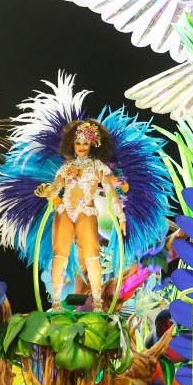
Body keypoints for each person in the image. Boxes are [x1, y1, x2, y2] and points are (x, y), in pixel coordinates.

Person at [35, 119, 127, 312]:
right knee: (60, 255)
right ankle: (57, 303)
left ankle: (97, 303)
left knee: (92, 256)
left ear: (92, 144)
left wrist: (121, 216)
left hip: (86, 211)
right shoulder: (66, 168)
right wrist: (47, 192)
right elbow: (56, 190)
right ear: (72, 144)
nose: (82, 147)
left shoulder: (98, 167)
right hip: (64, 212)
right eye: (78, 143)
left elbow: (111, 193)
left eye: (85, 143)